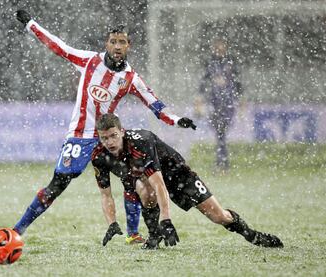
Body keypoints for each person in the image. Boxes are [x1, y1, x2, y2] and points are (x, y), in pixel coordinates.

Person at [13, 10, 197, 244]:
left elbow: (154, 103)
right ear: (106, 44)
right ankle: (18, 229)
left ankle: (135, 234)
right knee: (58, 185)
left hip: (110, 137)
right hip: (80, 136)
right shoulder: (89, 61)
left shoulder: (130, 78)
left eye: (122, 42)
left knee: (136, 179)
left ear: (129, 45)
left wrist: (176, 119)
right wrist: (31, 24)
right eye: (113, 41)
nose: (117, 46)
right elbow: (59, 47)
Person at [92, 113, 283, 249]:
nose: (109, 142)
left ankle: (251, 235)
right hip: (147, 180)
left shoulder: (141, 142)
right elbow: (105, 195)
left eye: (113, 136)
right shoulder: (99, 156)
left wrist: (166, 220)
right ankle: (154, 236)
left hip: (178, 175)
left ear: (122, 132)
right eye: (104, 138)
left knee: (219, 217)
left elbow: (160, 184)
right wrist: (111, 223)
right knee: (144, 190)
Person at [199, 38, 242, 170]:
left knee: (221, 132)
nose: (219, 48)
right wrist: (200, 97)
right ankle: (222, 162)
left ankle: (222, 162)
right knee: (219, 132)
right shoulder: (211, 63)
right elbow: (203, 81)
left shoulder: (231, 62)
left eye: (221, 46)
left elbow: (239, 82)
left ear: (225, 47)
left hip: (228, 103)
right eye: (216, 46)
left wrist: (240, 99)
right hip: (214, 103)